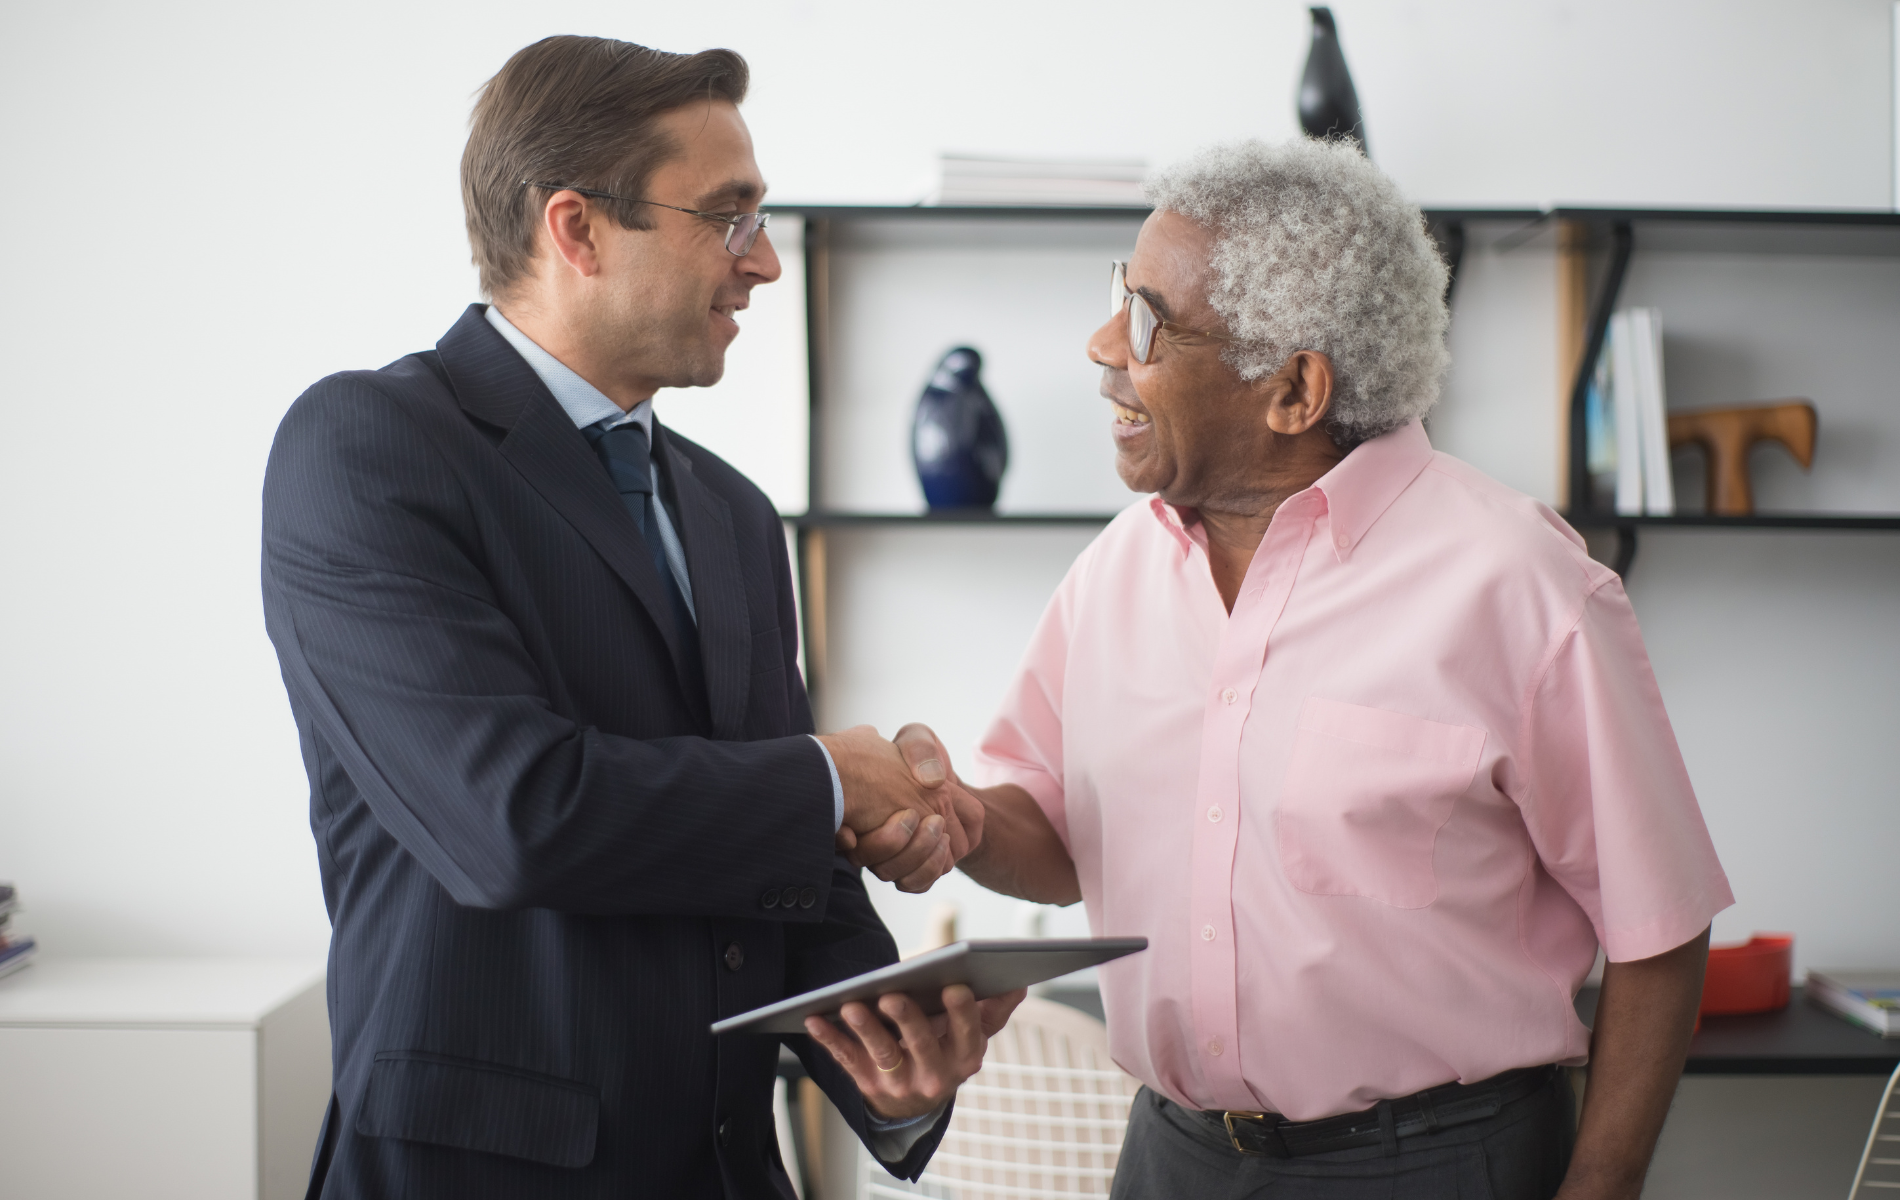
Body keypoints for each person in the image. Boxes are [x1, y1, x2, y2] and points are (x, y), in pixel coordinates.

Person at [900, 139, 1732, 1199]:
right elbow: (1054, 839)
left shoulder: (1521, 586)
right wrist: (960, 819)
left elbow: (1660, 926)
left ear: (1294, 389)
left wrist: (1600, 1189)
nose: (1104, 343)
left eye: (1148, 320)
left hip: (1436, 1166)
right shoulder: (1113, 572)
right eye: (1118, 293)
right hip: (1171, 1158)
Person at [261, 36, 1014, 1200]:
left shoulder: (734, 515)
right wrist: (830, 780)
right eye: (727, 217)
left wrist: (893, 1073)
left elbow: (790, 873)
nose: (761, 261)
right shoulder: (367, 448)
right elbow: (512, 814)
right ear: (577, 229)